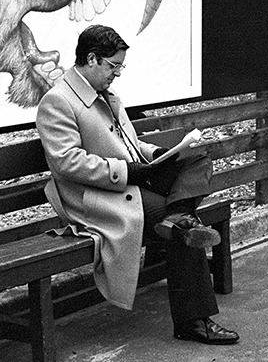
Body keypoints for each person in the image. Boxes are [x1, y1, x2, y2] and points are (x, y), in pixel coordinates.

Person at [36, 25, 239, 345]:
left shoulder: (107, 95)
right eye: (114, 66)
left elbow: (129, 143)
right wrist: (126, 171)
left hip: (130, 181)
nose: (117, 73)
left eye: (120, 66)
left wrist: (158, 154)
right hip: (99, 196)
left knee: (197, 161)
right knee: (186, 230)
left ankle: (176, 217)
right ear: (91, 59)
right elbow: (66, 162)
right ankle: (193, 322)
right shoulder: (58, 101)